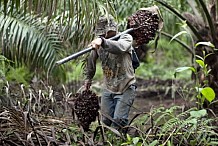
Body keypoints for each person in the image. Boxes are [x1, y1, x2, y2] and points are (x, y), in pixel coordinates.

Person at [83, 15, 136, 130]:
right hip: (108, 88)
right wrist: (88, 78)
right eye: (101, 34)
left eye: (105, 33)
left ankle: (120, 140)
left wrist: (103, 42)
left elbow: (120, 47)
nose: (103, 35)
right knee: (106, 120)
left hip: (125, 87)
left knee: (119, 121)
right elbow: (91, 60)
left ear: (113, 29)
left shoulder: (125, 38)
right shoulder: (98, 42)